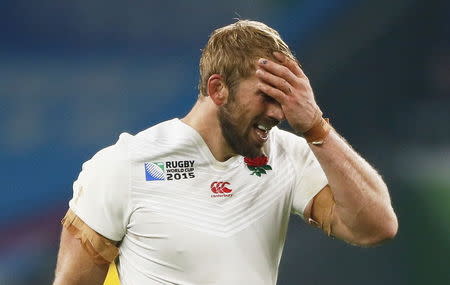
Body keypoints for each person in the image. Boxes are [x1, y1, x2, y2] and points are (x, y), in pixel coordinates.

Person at [53, 20, 398, 285]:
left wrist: (315, 128)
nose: (279, 114)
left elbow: (376, 227)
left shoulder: (287, 154)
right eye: (267, 96)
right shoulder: (125, 165)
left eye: (285, 100)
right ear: (218, 89)